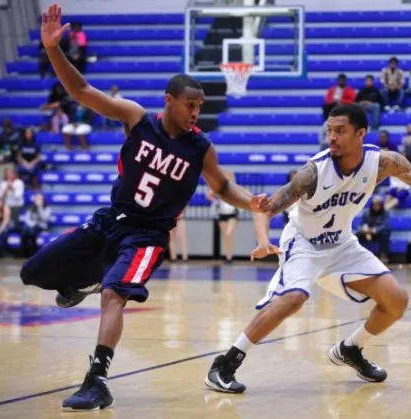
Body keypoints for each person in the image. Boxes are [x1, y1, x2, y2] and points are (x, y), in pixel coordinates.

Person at [20, 4, 262, 411]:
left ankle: (97, 380)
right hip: (108, 221)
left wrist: (252, 202)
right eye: (190, 104)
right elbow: (82, 92)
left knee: (115, 294)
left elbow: (222, 186)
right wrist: (53, 49)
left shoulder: (200, 148)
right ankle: (87, 280)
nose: (196, 112)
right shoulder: (137, 118)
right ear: (169, 101)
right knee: (33, 272)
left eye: (200, 106)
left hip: (147, 236)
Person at [205, 104, 411, 394]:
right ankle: (224, 364)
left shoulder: (382, 162)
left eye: (340, 131)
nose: (332, 136)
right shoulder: (313, 172)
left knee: (397, 300)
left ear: (360, 134)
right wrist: (262, 239)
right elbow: (266, 207)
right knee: (293, 298)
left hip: (342, 243)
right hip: (304, 242)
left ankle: (351, 349)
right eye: (329, 130)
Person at [207, 170, 240, 264]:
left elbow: (244, 196)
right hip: (222, 213)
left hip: (232, 213)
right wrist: (216, 201)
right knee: (225, 235)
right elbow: (209, 195)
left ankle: (230, 256)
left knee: (229, 233)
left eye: (229, 177)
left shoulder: (235, 188)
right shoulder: (220, 188)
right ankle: (227, 256)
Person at [20, 193, 51, 257]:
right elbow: (27, 219)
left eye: (40, 199)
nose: (38, 201)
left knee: (32, 232)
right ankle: (25, 253)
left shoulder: (47, 209)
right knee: (24, 232)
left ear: (43, 200)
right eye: (37, 199)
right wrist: (31, 225)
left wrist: (40, 207)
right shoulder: (31, 208)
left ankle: (33, 253)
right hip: (31, 226)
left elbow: (45, 219)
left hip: (41, 226)